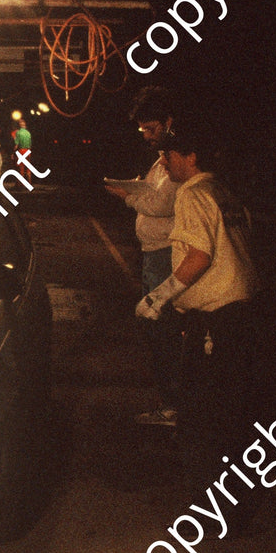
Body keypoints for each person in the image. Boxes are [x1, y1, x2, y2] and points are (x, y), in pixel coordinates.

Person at [135, 122, 257, 489]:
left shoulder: (191, 193)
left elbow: (200, 255)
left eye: (169, 154)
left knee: (203, 414)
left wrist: (159, 296)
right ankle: (232, 494)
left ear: (190, 157)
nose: (164, 159)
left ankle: (215, 502)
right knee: (229, 411)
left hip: (218, 320)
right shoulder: (222, 190)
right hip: (240, 314)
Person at [106, 86, 183, 427]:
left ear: (169, 122)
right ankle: (173, 401)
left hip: (165, 255)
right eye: (143, 131)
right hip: (154, 253)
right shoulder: (161, 159)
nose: (148, 137)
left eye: (152, 129)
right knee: (157, 327)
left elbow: (163, 203)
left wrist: (128, 196)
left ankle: (174, 405)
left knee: (161, 326)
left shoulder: (175, 159)